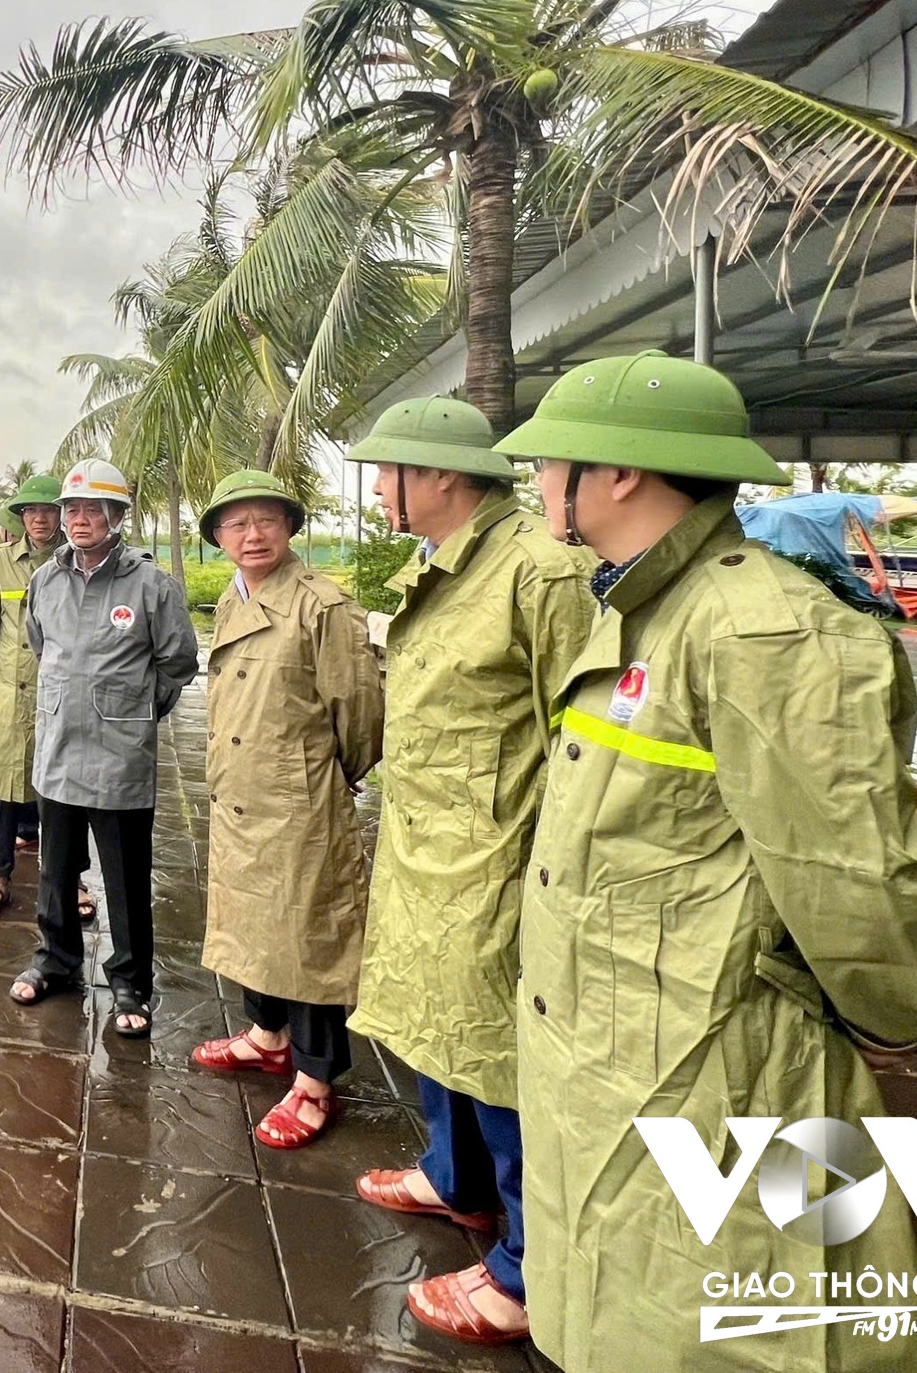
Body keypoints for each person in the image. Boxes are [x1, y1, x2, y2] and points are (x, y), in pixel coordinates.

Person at [489, 351, 917, 1373]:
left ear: (621, 474)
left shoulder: (762, 629)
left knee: (769, 1328)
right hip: (614, 1051)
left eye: (552, 459)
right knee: (627, 1308)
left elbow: (858, 880)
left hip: (722, 1061)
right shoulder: (644, 607)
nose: (542, 479)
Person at [339, 398, 594, 1348]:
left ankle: (527, 1272)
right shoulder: (441, 566)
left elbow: (578, 732)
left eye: (387, 471)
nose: (375, 490)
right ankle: (457, 1180)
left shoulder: (541, 573)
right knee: (435, 1023)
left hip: (495, 862)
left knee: (496, 1051)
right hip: (425, 852)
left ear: (440, 476)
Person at [187, 470, 383, 1149]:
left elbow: (360, 715)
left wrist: (327, 777)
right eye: (236, 524)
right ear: (218, 538)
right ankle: (267, 1036)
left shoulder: (323, 605)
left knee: (308, 936)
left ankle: (315, 1080)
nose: (253, 535)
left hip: (298, 801)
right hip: (241, 794)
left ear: (290, 528)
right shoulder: (234, 601)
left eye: (267, 520)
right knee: (253, 923)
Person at [12, 457, 199, 1037]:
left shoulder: (149, 585)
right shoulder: (45, 579)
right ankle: (56, 960)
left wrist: (134, 714)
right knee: (55, 870)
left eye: (94, 509)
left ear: (118, 516)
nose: (79, 519)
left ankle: (130, 982)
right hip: (59, 753)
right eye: (72, 508)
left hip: (121, 761)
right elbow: (40, 644)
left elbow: (179, 662)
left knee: (124, 881)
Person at [0, 475, 66, 919]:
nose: (39, 518)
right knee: (1, 784)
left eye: (47, 510)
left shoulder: (74, 561)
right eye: (31, 511)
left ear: (60, 514)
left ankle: (67, 879)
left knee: (62, 789)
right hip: (8, 692)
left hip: (59, 692)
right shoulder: (1, 563)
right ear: (21, 518)